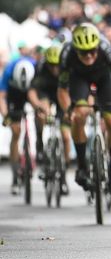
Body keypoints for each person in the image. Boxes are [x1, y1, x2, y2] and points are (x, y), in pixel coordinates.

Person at [57, 23, 111, 196]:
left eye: (92, 51)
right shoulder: (67, 54)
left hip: (105, 79)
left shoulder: (106, 50)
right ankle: (82, 166)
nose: (89, 56)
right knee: (79, 115)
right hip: (79, 79)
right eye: (84, 52)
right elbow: (61, 89)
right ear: (76, 50)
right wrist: (68, 109)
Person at [27, 44, 72, 194]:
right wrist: (37, 105)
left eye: (57, 66)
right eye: (51, 66)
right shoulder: (41, 67)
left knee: (66, 137)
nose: (54, 69)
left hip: (63, 95)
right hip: (47, 94)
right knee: (43, 110)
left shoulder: (68, 68)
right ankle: (41, 142)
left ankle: (64, 170)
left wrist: (69, 111)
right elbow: (32, 92)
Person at [0, 56, 37, 194]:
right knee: (16, 131)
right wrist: (6, 117)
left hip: (32, 91)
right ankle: (15, 174)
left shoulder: (36, 67)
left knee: (42, 114)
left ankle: (42, 148)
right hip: (14, 95)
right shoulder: (8, 71)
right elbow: (2, 98)